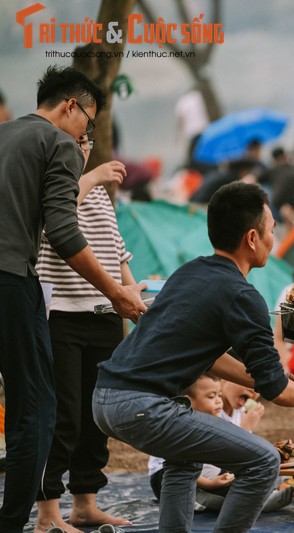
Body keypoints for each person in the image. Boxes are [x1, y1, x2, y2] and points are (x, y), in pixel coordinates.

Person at [92, 182, 294, 532]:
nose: (273, 240)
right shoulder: (242, 295)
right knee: (264, 461)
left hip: (105, 397)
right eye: (270, 231)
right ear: (252, 238)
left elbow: (209, 357)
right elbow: (279, 392)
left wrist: (261, 378)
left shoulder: (190, 271)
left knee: (184, 459)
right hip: (141, 406)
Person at [0, 65, 146, 533]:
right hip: (13, 279)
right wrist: (116, 294)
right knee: (39, 411)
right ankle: (21, 521)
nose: (88, 133)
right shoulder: (57, 143)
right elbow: (62, 231)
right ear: (71, 107)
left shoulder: (4, 135)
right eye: (89, 121)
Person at [34, 142, 133, 533]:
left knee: (95, 417)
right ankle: (47, 514)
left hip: (104, 314)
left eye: (86, 142)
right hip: (60, 315)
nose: (84, 147)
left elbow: (117, 251)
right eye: (76, 141)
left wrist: (133, 297)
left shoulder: (101, 198)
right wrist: (92, 177)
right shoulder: (50, 186)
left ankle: (85, 504)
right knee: (63, 415)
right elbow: (52, 225)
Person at [148, 374, 294, 514]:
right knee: (215, 491)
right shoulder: (185, 424)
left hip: (203, 474)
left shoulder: (226, 413)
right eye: (212, 397)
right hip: (168, 478)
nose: (218, 401)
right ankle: (244, 502)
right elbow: (180, 465)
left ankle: (250, 497)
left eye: (218, 395)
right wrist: (246, 428)